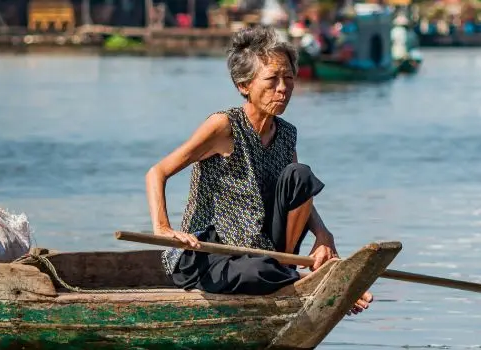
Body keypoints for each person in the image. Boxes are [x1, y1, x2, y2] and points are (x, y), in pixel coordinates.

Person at [145, 25, 373, 316]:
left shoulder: (287, 134)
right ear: (244, 85)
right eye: (272, 80)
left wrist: (324, 235)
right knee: (256, 271)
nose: (283, 89)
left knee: (299, 174)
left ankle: (287, 267)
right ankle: (311, 282)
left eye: (289, 79)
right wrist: (163, 229)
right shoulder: (224, 126)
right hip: (210, 253)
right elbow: (157, 172)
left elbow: (299, 195)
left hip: (263, 249)